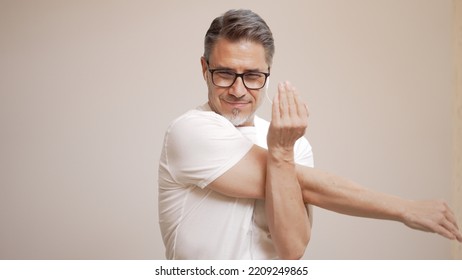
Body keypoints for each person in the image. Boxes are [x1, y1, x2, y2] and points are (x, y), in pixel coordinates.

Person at [158, 9, 462, 260]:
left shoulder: (293, 144)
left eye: (252, 76)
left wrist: (282, 152)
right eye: (224, 74)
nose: (238, 90)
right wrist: (404, 208)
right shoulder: (190, 131)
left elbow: (292, 249)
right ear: (204, 68)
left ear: (268, 73)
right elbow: (310, 185)